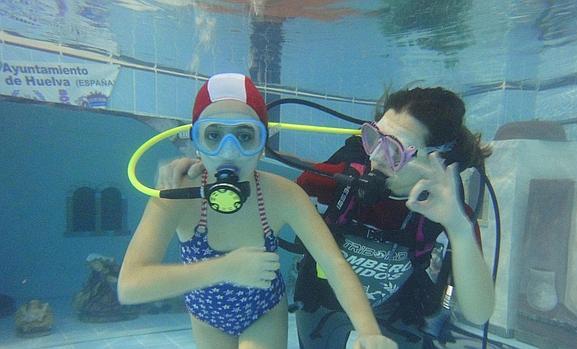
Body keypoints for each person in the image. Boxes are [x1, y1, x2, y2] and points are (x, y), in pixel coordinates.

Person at [159, 85, 496, 348]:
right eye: (374, 138)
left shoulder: (450, 215)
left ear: (435, 160)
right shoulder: (342, 180)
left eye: (394, 149)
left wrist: (459, 228)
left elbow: (479, 312)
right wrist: (213, 168)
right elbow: (266, 186)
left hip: (396, 311)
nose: (375, 158)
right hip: (323, 302)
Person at [117, 73, 397, 349]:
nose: (229, 152)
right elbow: (130, 286)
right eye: (213, 135)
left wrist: (369, 332)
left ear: (262, 146)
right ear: (197, 143)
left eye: (244, 135)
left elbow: (334, 263)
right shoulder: (178, 193)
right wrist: (225, 268)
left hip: (263, 311)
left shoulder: (283, 195)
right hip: (207, 318)